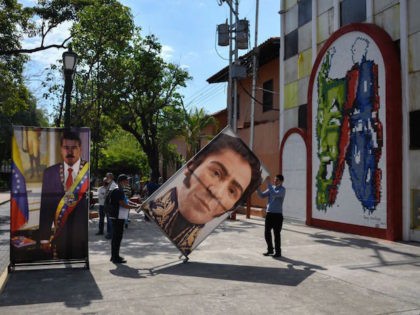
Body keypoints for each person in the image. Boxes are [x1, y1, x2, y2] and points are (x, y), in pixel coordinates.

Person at [142, 133, 261, 256]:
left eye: (231, 191)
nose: (216, 193)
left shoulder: (190, 242)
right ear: (191, 166)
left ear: (231, 207)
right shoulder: (152, 208)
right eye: (216, 173)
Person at [39, 130, 89, 259]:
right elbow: (46, 207)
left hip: (82, 234)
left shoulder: (87, 172)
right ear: (61, 149)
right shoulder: (50, 173)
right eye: (66, 147)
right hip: (60, 234)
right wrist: (44, 237)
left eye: (74, 148)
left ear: (80, 149)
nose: (70, 152)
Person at [109, 174, 139, 263]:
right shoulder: (118, 190)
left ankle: (114, 256)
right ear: (122, 181)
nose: (128, 182)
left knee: (116, 237)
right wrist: (134, 207)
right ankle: (115, 257)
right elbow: (123, 204)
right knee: (117, 237)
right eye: (127, 180)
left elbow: (126, 200)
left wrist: (135, 204)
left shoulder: (119, 189)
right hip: (117, 217)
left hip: (118, 216)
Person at [257, 174, 286, 258]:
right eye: (274, 180)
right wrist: (257, 188)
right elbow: (262, 196)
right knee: (267, 232)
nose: (275, 181)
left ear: (281, 181)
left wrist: (268, 183)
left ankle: (278, 252)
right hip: (269, 214)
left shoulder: (282, 190)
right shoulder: (271, 187)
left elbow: (274, 194)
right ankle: (270, 250)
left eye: (277, 180)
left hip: (277, 215)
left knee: (276, 234)